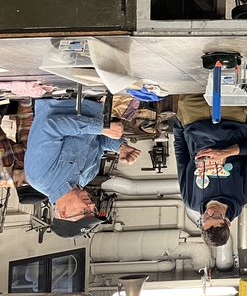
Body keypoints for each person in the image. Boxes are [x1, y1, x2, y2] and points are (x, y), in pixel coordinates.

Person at [24, 98, 141, 239]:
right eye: (93, 210)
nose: (91, 205)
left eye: (85, 212)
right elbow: (97, 140)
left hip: (65, 95)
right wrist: (119, 147)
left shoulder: (40, 176)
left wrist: (100, 128)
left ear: (64, 213)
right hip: (95, 99)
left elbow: (50, 126)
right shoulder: (87, 176)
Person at [173, 95, 247, 247]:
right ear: (227, 221)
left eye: (205, 218)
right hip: (230, 116)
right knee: (223, 73)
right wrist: (225, 153)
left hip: (191, 118)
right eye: (215, 216)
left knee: (188, 75)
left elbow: (182, 157)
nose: (209, 212)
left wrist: (179, 123)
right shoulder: (244, 193)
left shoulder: (190, 200)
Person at [0, 98, 33, 188]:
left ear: (19, 183)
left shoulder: (2, 174)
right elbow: (26, 126)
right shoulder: (27, 163)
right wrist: (26, 99)